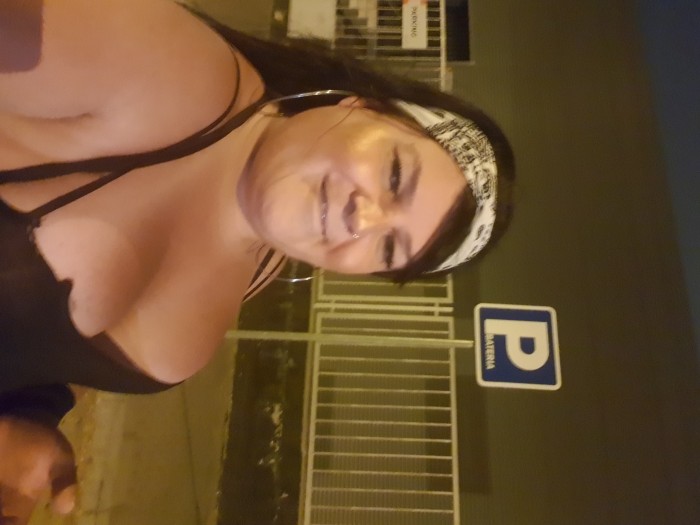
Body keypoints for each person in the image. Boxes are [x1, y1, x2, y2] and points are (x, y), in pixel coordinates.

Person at [0, 0, 515, 522]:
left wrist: (29, 417)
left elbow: (33, 344)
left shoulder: (261, 267)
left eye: (388, 248)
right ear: (361, 105)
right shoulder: (174, 73)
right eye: (396, 175)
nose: (364, 218)